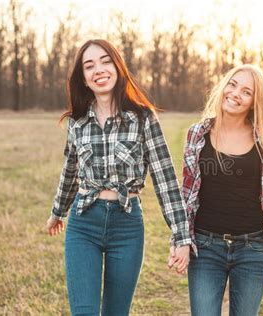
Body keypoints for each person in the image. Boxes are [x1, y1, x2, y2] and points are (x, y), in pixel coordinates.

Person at [45, 39, 190, 315]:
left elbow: (165, 178)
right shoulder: (78, 122)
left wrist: (180, 235)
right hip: (83, 223)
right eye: (89, 66)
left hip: (127, 226)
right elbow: (70, 170)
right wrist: (57, 211)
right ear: (84, 79)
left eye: (105, 61)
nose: (98, 70)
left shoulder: (142, 118)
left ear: (118, 67)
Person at [182, 64, 263, 316]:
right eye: (232, 84)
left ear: (254, 101)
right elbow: (187, 195)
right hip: (206, 247)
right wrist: (180, 241)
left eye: (246, 92)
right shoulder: (197, 134)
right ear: (223, 87)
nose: (236, 93)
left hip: (253, 250)